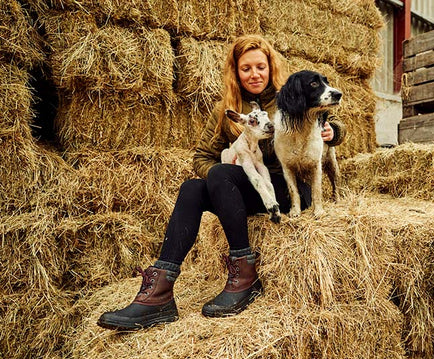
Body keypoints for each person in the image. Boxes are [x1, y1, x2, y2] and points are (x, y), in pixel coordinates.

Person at [97, 35, 346, 329]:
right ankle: (159, 292)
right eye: (246, 68)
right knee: (194, 185)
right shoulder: (226, 109)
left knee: (220, 175)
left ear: (270, 68)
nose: (254, 74)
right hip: (243, 188)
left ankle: (244, 273)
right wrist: (226, 171)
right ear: (236, 72)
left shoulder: (290, 95)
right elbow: (202, 156)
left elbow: (327, 120)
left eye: (260, 67)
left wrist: (336, 131)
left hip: (287, 188)